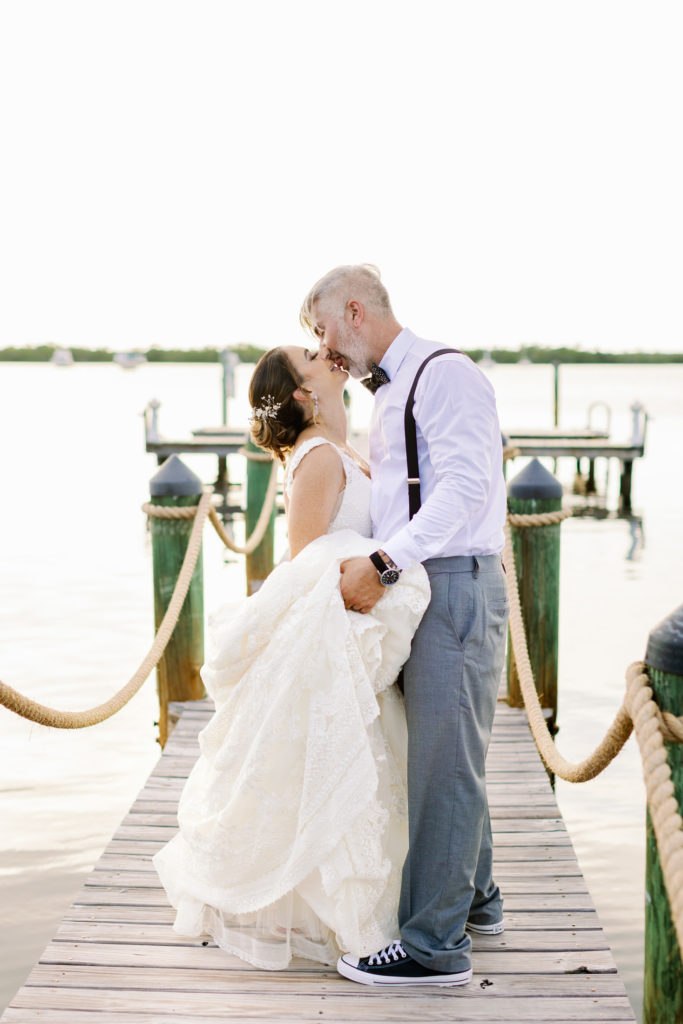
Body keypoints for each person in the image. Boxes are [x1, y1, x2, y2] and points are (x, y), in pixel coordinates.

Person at [153, 344, 430, 970]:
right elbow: (304, 562)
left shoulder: (344, 449)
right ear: (302, 392)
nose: (325, 355)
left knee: (367, 760)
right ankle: (345, 917)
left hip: (354, 627)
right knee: (339, 763)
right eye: (310, 357)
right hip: (333, 627)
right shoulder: (320, 457)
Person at [299, 264, 509, 987]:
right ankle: (477, 900)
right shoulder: (391, 391)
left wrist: (384, 563)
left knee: (443, 767)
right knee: (439, 751)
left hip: (451, 584)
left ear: (353, 311)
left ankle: (433, 946)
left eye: (324, 330)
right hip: (422, 587)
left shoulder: (442, 375)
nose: (325, 348)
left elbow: (462, 490)